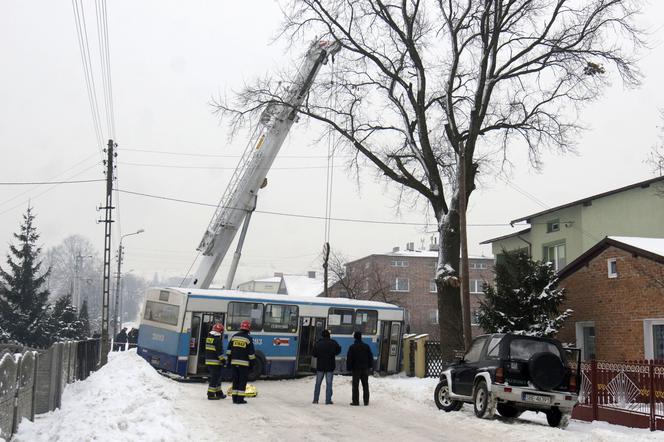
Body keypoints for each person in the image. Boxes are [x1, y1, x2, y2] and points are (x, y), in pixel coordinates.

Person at [226, 320, 256, 404]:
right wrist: (252, 364)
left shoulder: (234, 336)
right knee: (242, 381)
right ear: (248, 329)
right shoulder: (248, 339)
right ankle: (240, 400)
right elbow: (251, 354)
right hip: (244, 364)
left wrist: (229, 361)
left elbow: (228, 350)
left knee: (235, 381)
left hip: (234, 363)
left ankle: (234, 399)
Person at [311, 329, 341, 405]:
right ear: (329, 335)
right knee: (329, 383)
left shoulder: (318, 343)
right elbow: (338, 351)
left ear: (322, 336)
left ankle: (315, 399)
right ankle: (328, 400)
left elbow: (314, 354)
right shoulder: (333, 343)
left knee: (318, 383)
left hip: (320, 366)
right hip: (330, 366)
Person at [346, 331, 373, 406]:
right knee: (365, 385)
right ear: (361, 337)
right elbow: (370, 357)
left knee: (355, 385)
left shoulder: (352, 347)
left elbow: (349, 358)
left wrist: (349, 368)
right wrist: (370, 366)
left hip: (356, 369)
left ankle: (355, 401)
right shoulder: (366, 346)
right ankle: (366, 401)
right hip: (365, 368)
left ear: (354, 337)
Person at [205, 322, 226, 400]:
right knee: (215, 378)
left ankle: (219, 393)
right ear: (220, 331)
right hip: (215, 363)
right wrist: (223, 361)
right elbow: (219, 353)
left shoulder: (209, 338)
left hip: (209, 361)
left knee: (217, 378)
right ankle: (210, 394)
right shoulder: (217, 340)